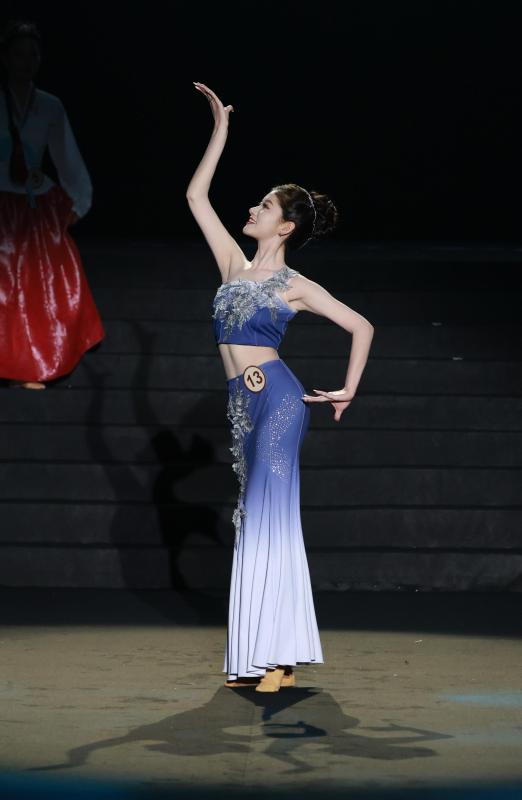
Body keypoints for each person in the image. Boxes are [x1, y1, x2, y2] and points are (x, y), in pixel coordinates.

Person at [186, 82, 374, 693]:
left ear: (286, 225)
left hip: (280, 401)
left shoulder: (296, 284)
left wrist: (347, 389)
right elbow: (195, 195)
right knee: (254, 520)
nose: (254, 208)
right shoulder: (232, 265)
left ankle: (282, 660)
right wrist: (221, 131)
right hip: (244, 405)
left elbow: (361, 326)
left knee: (272, 521)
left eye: (265, 205)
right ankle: (255, 656)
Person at [0, 20, 104, 390]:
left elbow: (66, 155)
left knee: (35, 287)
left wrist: (79, 199)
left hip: (31, 205)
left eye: (32, 55)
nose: (25, 62)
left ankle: (29, 365)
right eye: (18, 54)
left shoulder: (48, 105)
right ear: (6, 58)